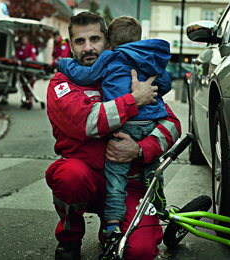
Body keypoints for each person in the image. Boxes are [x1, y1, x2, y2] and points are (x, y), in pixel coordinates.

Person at [45, 12, 181, 260]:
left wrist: (141, 149)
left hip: (128, 184)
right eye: (79, 41)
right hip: (88, 180)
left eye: (95, 39)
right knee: (69, 176)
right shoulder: (62, 83)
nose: (88, 48)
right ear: (70, 45)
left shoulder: (131, 71)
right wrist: (133, 100)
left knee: (139, 252)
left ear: (107, 42)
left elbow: (171, 123)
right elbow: (87, 122)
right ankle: (70, 239)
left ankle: (114, 228)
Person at [14, 35, 37, 109]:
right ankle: (26, 100)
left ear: (27, 40)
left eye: (24, 39)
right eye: (22, 39)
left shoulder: (31, 48)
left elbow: (33, 58)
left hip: (29, 69)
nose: (23, 40)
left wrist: (26, 60)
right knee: (23, 84)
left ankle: (30, 101)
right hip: (22, 69)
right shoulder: (19, 48)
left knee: (29, 84)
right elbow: (16, 57)